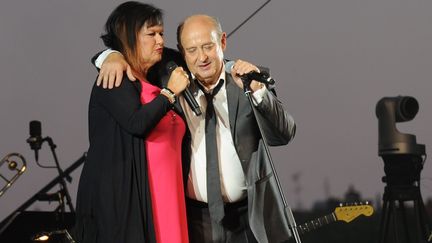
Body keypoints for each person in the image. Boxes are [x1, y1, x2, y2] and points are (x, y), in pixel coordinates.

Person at [95, 14, 296, 243]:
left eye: (208, 46)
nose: (202, 57)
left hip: (252, 216)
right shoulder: (171, 82)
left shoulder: (247, 81)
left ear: (222, 42)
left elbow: (284, 134)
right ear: (181, 51)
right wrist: (108, 56)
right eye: (191, 50)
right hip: (195, 220)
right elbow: (134, 55)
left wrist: (259, 92)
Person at [73, 2, 191, 243]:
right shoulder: (116, 77)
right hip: (131, 202)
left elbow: (201, 57)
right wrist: (169, 94)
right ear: (128, 35)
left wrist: (233, 66)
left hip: (169, 196)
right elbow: (136, 122)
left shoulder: (158, 72)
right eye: (151, 34)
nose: (160, 40)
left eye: (161, 33)